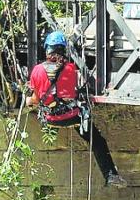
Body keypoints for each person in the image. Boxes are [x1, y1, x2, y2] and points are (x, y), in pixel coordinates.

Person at [27, 31, 126, 187]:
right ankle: (110, 175)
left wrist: (27, 100)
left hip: (50, 119)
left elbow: (35, 99)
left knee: (48, 115)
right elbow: (70, 92)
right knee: (97, 141)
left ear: (47, 49)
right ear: (63, 50)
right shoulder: (70, 69)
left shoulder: (37, 70)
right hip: (72, 117)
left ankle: (51, 132)